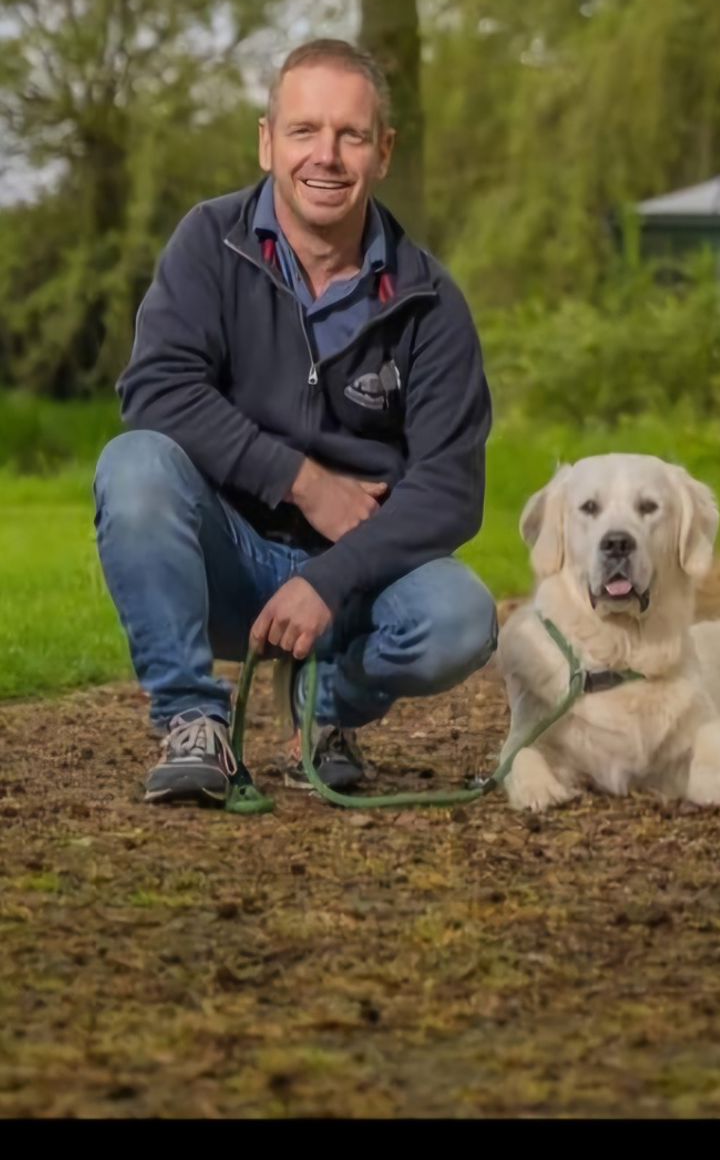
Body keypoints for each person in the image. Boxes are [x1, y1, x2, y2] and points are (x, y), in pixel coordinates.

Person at [94, 39, 498, 805]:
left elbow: (449, 489)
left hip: (357, 587)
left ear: (383, 150)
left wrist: (331, 578)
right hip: (230, 565)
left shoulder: (430, 301)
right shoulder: (207, 244)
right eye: (305, 130)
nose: (327, 156)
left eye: (351, 135)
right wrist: (304, 483)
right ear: (267, 140)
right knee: (134, 464)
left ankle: (322, 708)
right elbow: (156, 390)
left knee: (463, 619)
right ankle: (194, 724)